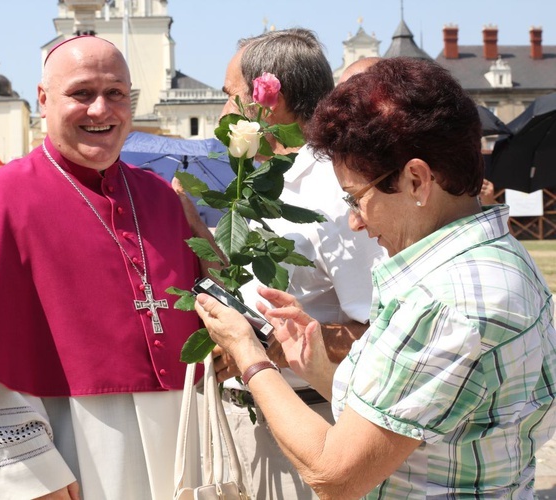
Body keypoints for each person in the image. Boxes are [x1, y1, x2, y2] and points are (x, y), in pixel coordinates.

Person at [196, 57, 556, 498]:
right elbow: (404, 415)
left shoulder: (445, 303)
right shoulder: (490, 259)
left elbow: (335, 475)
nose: (354, 222)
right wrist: (318, 367)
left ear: (417, 180)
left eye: (356, 198)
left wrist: (249, 355)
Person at [0, 35, 203, 499]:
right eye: (82, 93)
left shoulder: (161, 197)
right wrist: (28, 476)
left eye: (116, 94)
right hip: (70, 447)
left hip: (185, 439)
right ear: (44, 100)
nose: (101, 110)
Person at [187, 29, 385, 500]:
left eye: (228, 97)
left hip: (312, 425)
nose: (222, 114)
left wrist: (264, 349)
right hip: (253, 417)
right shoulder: (261, 184)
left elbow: (383, 333)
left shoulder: (337, 197)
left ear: (266, 101)